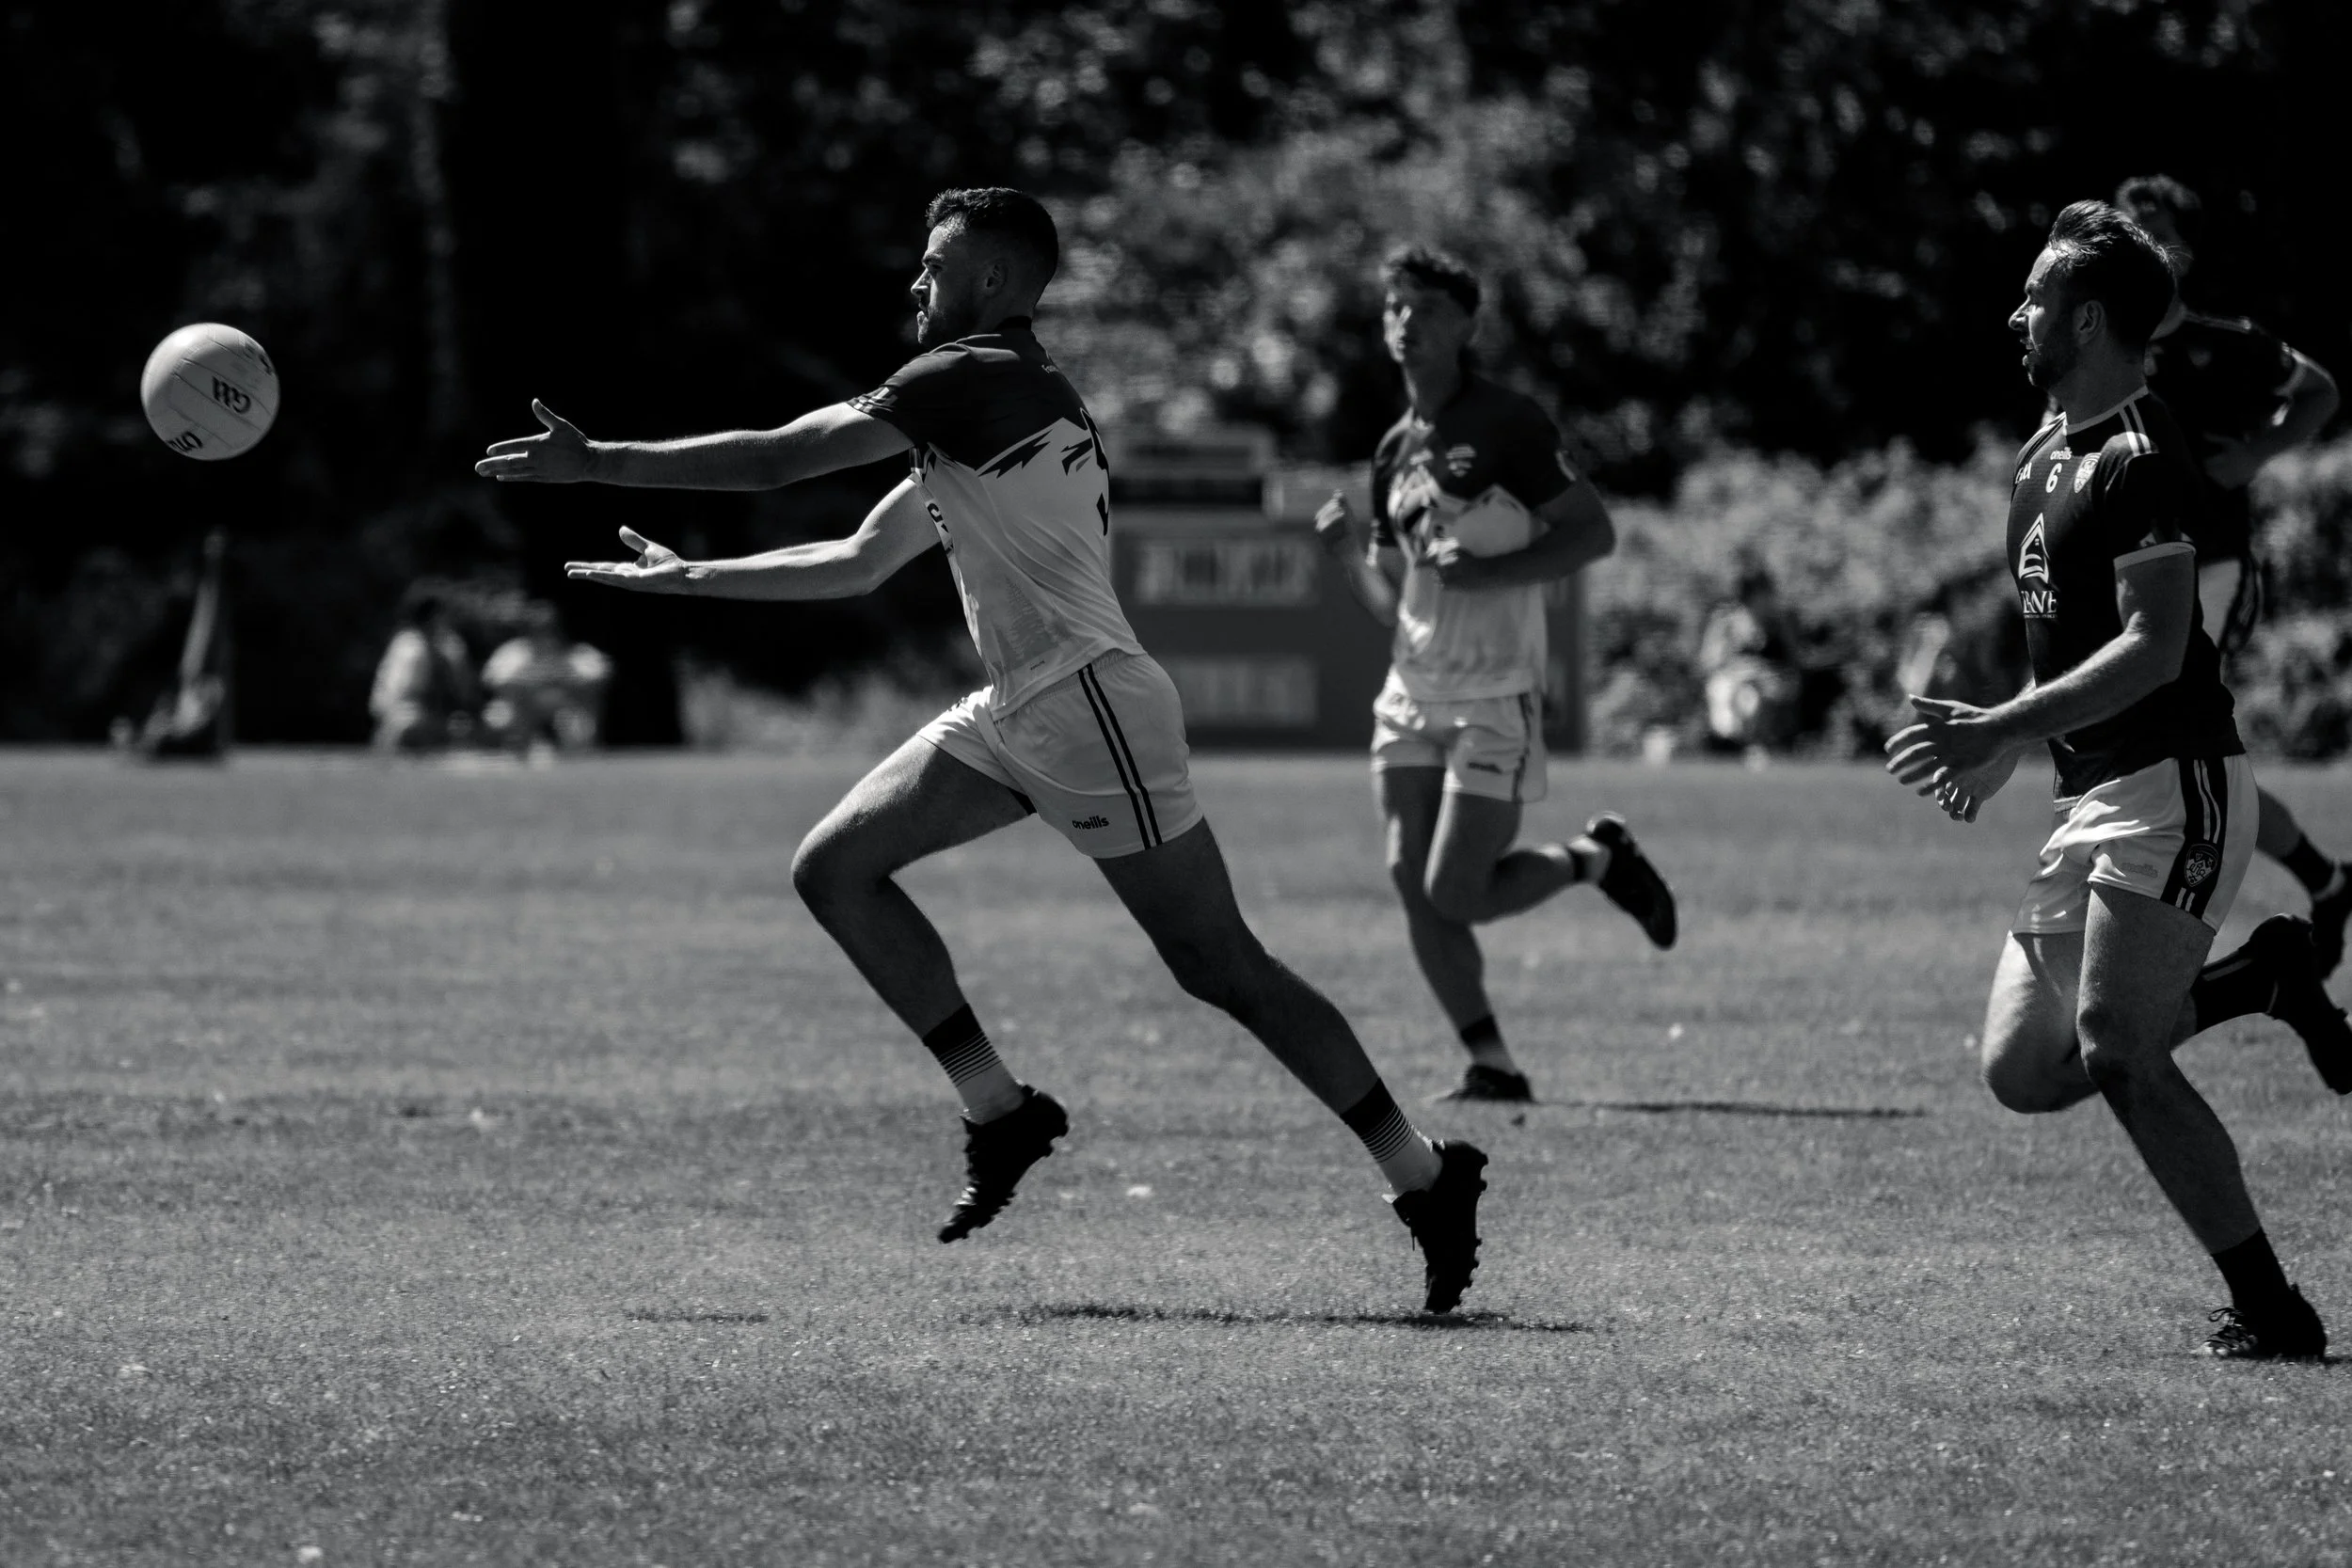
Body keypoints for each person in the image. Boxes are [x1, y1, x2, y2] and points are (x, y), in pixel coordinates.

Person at [478, 188, 1490, 1313]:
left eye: (933, 264)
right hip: (1026, 704)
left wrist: (597, 460)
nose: (915, 281)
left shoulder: (973, 378)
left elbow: (774, 461)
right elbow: (863, 560)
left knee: (1220, 965)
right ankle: (1001, 1109)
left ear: (994, 283)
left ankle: (1425, 1175)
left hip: (1090, 701)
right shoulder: (979, 409)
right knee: (834, 866)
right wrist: (692, 581)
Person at [1885, 201, 2351, 1360]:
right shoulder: (2044, 453)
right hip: (2090, 792)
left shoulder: (2143, 459)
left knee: (2118, 1052)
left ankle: (2273, 1309)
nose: (2017, 313)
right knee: (2021, 1071)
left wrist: (1997, 726)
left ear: (2085, 318)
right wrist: (2005, 745)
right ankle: (2262, 979)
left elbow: (2151, 646)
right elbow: (2062, 643)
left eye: (2035, 297)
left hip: (2172, 786)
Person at [1313, 246, 1675, 1106]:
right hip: (1409, 692)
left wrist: (1488, 575)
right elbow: (1395, 598)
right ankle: (1493, 1064)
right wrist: (1341, 557)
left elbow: (1593, 533)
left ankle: (1594, 859)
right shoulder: (1393, 448)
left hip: (1494, 692)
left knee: (1456, 889)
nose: (1408, 322)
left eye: (1429, 309)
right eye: (1397, 307)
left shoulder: (1508, 421)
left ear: (1469, 325)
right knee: (1412, 881)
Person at [2114, 174, 2351, 974]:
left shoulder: (2226, 341)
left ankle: (2160, 929)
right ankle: (2325, 879)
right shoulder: (2102, 343)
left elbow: (2318, 392)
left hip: (2212, 569)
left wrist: (2257, 452)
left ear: (2179, 247)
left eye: (2148, 225)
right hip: (2133, 576)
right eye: (2123, 225)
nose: (2132, 237)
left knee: (2172, 746)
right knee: (2183, 756)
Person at [481, 600, 612, 756]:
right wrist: (534, 682)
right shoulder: (513, 652)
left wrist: (564, 681)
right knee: (499, 716)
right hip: (524, 706)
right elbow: (491, 679)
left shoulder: (577, 652)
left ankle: (578, 765)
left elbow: (600, 677)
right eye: (537, 628)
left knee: (578, 723)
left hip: (566, 705)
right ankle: (513, 761)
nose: (543, 632)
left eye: (548, 627)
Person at [1698, 562, 1803, 754]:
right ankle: (1730, 745)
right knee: (1727, 702)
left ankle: (1753, 745)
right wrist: (1742, 668)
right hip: (1729, 681)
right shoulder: (1726, 620)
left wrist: (1764, 672)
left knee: (1753, 702)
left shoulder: (1777, 622)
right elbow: (1708, 660)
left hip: (1765, 684)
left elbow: (1793, 661)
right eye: (1764, 592)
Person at [370, 586, 479, 753]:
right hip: (404, 717)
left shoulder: (445, 646)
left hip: (426, 717)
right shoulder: (410, 646)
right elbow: (404, 696)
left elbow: (464, 693)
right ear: (433, 617)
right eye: (444, 614)